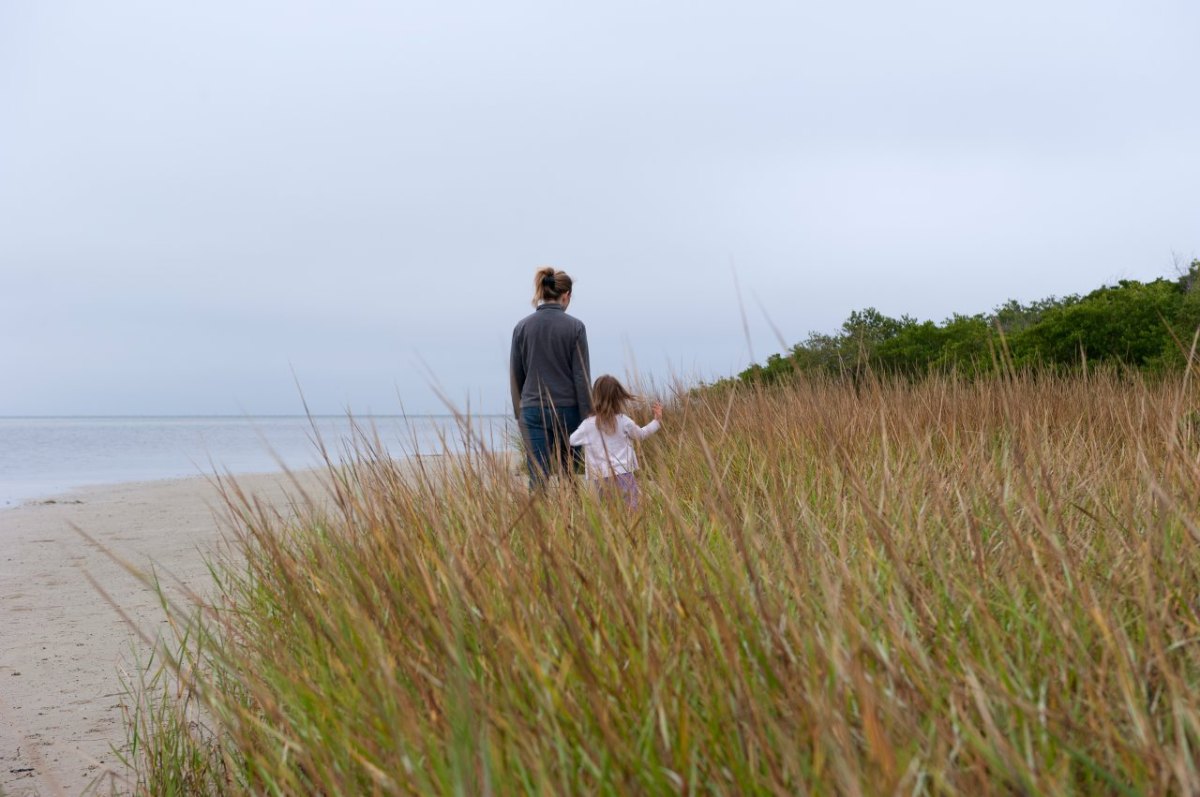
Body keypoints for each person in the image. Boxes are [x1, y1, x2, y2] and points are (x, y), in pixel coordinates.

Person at [510, 267, 592, 486]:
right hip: (569, 411)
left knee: (538, 478)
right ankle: (571, 519)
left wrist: (519, 414)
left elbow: (516, 376)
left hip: (532, 410)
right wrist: (589, 419)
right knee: (570, 476)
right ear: (566, 296)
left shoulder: (522, 327)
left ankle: (540, 521)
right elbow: (581, 378)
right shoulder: (575, 327)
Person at [569, 375, 663, 508]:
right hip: (623, 474)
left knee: (608, 512)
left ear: (595, 396)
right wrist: (657, 421)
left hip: (599, 476)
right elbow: (641, 434)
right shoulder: (624, 421)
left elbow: (572, 440)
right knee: (630, 511)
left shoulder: (588, 424)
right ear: (618, 398)